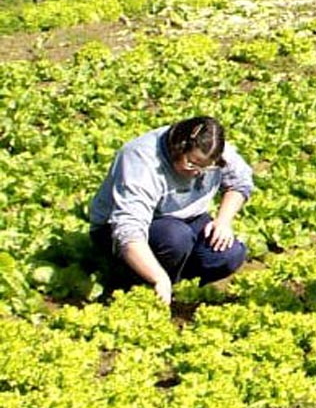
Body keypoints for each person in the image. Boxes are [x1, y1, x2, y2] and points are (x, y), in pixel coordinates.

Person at [89, 116, 254, 305]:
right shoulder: (142, 158)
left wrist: (223, 222)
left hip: (187, 219)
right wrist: (158, 277)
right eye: (192, 164)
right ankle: (130, 281)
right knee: (175, 237)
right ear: (178, 148)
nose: (198, 172)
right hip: (119, 233)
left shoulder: (212, 149)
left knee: (228, 253)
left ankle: (172, 284)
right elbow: (128, 231)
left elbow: (240, 182)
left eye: (207, 167)